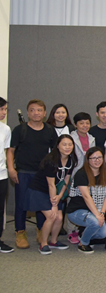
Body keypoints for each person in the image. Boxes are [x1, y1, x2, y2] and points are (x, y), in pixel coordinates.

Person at [7, 99, 58, 249]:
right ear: (28, 113)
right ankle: (20, 232)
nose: (36, 113)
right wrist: (11, 169)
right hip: (23, 172)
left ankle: (41, 230)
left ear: (44, 113)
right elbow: (11, 151)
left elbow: (56, 151)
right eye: (32, 110)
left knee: (41, 203)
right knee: (21, 203)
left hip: (42, 173)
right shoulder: (20, 129)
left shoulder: (50, 130)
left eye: (39, 110)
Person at [27, 135, 77, 254]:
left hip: (55, 191)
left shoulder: (71, 160)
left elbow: (66, 180)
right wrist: (54, 204)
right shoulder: (51, 160)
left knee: (59, 218)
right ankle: (43, 243)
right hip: (40, 190)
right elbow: (51, 184)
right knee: (51, 216)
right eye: (64, 144)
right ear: (58, 146)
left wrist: (60, 195)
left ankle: (53, 241)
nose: (67, 147)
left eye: (70, 144)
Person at [66, 147, 106, 254]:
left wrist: (102, 213)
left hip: (95, 211)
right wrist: (98, 216)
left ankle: (83, 234)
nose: (97, 160)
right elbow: (86, 196)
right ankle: (83, 243)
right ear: (88, 160)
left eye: (99, 157)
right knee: (95, 223)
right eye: (93, 158)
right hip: (77, 211)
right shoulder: (81, 174)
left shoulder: (105, 173)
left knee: (103, 234)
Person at [67, 112, 97, 244]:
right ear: (75, 124)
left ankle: (82, 229)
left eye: (87, 123)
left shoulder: (92, 139)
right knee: (72, 202)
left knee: (86, 201)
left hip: (89, 175)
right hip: (74, 175)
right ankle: (71, 231)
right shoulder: (70, 138)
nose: (85, 125)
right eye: (81, 123)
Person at [0, 97, 13, 253]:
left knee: (0, 209)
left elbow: (7, 151)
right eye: (2, 109)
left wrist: (10, 169)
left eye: (5, 109)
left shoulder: (5, 129)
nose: (4, 112)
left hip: (1, 175)